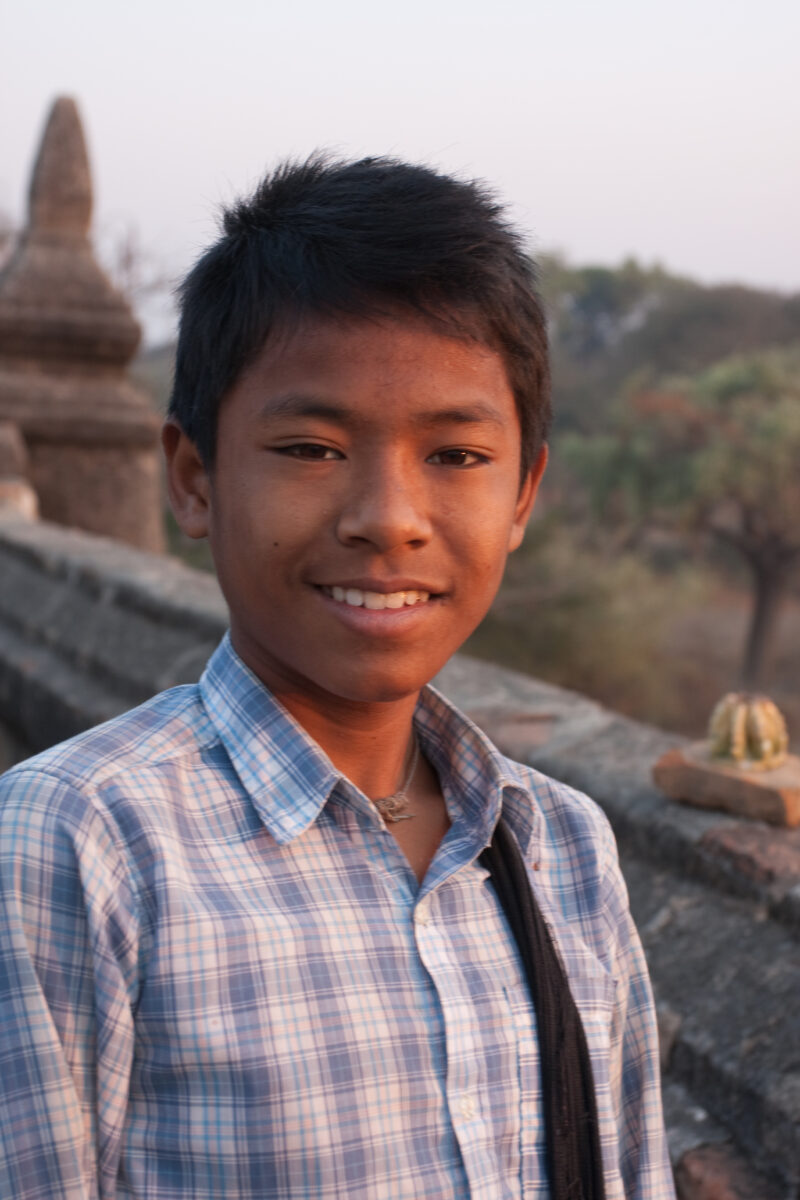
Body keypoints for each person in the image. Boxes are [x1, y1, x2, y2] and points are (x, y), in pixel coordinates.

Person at [0, 155, 674, 1198]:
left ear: (523, 494)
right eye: (311, 448)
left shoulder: (560, 848)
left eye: (454, 456)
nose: (388, 517)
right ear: (193, 478)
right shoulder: (76, 845)